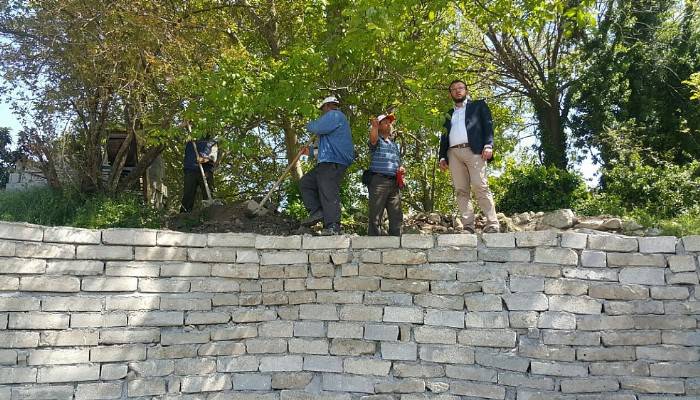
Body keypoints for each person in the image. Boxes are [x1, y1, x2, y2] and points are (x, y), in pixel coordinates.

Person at [438, 79, 500, 233]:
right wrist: (442, 156)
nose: (457, 91)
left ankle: (492, 224)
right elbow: (444, 136)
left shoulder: (478, 105)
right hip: (453, 154)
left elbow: (488, 125)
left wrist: (488, 145)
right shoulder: (448, 113)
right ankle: (468, 227)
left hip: (475, 151)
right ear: (450, 94)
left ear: (466, 90)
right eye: (453, 89)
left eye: (460, 88)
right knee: (461, 190)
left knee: (480, 186)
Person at [299, 96, 354, 235]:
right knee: (306, 183)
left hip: (334, 161)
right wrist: (309, 152)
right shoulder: (331, 125)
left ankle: (333, 225)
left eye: (323, 109)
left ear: (329, 106)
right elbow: (323, 149)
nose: (323, 112)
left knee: (328, 191)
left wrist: (308, 124)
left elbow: (317, 127)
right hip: (327, 160)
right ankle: (317, 212)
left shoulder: (335, 114)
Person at [367, 113, 403, 236]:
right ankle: (373, 245)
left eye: (390, 122)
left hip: (394, 183)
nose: (389, 124)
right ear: (380, 125)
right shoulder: (377, 140)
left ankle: (397, 242)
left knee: (396, 215)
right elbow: (372, 140)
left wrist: (402, 169)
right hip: (378, 181)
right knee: (375, 215)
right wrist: (374, 127)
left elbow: (399, 163)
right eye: (386, 122)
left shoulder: (394, 145)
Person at [180, 134, 218, 213]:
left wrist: (204, 159)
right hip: (190, 169)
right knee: (188, 194)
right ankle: (183, 215)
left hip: (205, 170)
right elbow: (173, 133)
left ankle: (210, 214)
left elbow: (213, 156)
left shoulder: (212, 142)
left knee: (208, 194)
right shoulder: (190, 139)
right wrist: (183, 125)